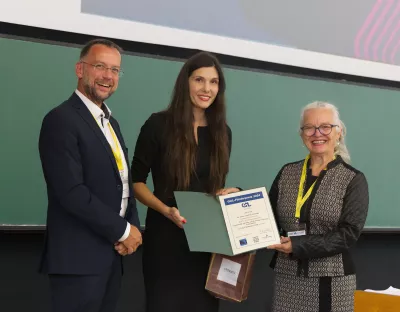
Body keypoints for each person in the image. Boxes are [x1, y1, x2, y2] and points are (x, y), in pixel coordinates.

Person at [131, 51, 240, 312]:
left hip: (206, 242)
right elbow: (135, 182)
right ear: (185, 83)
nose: (206, 88)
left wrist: (230, 193)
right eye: (199, 80)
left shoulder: (223, 133)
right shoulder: (158, 124)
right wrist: (165, 210)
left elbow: (213, 188)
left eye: (213, 82)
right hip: (165, 240)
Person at [38, 38, 142, 312]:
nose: (108, 76)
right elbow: (71, 192)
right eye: (100, 66)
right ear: (80, 69)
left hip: (111, 257)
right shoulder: (60, 120)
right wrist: (123, 230)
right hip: (78, 262)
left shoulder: (111, 123)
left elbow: (123, 182)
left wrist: (133, 226)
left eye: (115, 70)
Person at [267, 101, 369, 312]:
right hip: (288, 277)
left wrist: (298, 245)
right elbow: (266, 215)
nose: (317, 133)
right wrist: (238, 196)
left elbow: (348, 235)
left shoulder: (353, 179)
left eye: (325, 127)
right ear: (302, 134)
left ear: (338, 132)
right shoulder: (287, 173)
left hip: (332, 279)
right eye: (309, 127)